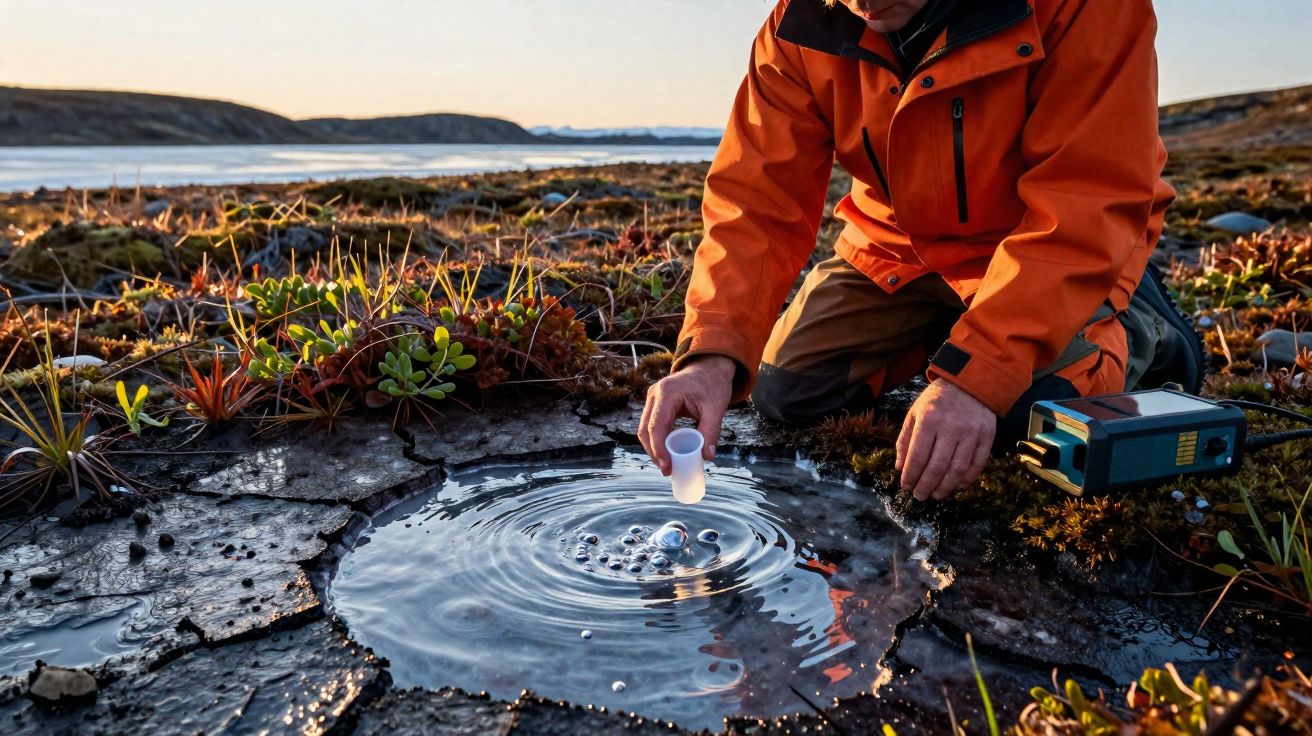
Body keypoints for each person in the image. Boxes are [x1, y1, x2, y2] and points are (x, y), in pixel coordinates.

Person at [638, 0, 1205, 502]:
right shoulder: (798, 23)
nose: (861, 1)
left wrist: (973, 382)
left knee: (1020, 420)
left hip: (1045, 249)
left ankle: (1143, 329)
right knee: (786, 391)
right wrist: (710, 356)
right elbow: (757, 202)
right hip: (897, 250)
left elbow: (1086, 199)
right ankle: (961, 336)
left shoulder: (1087, 6)